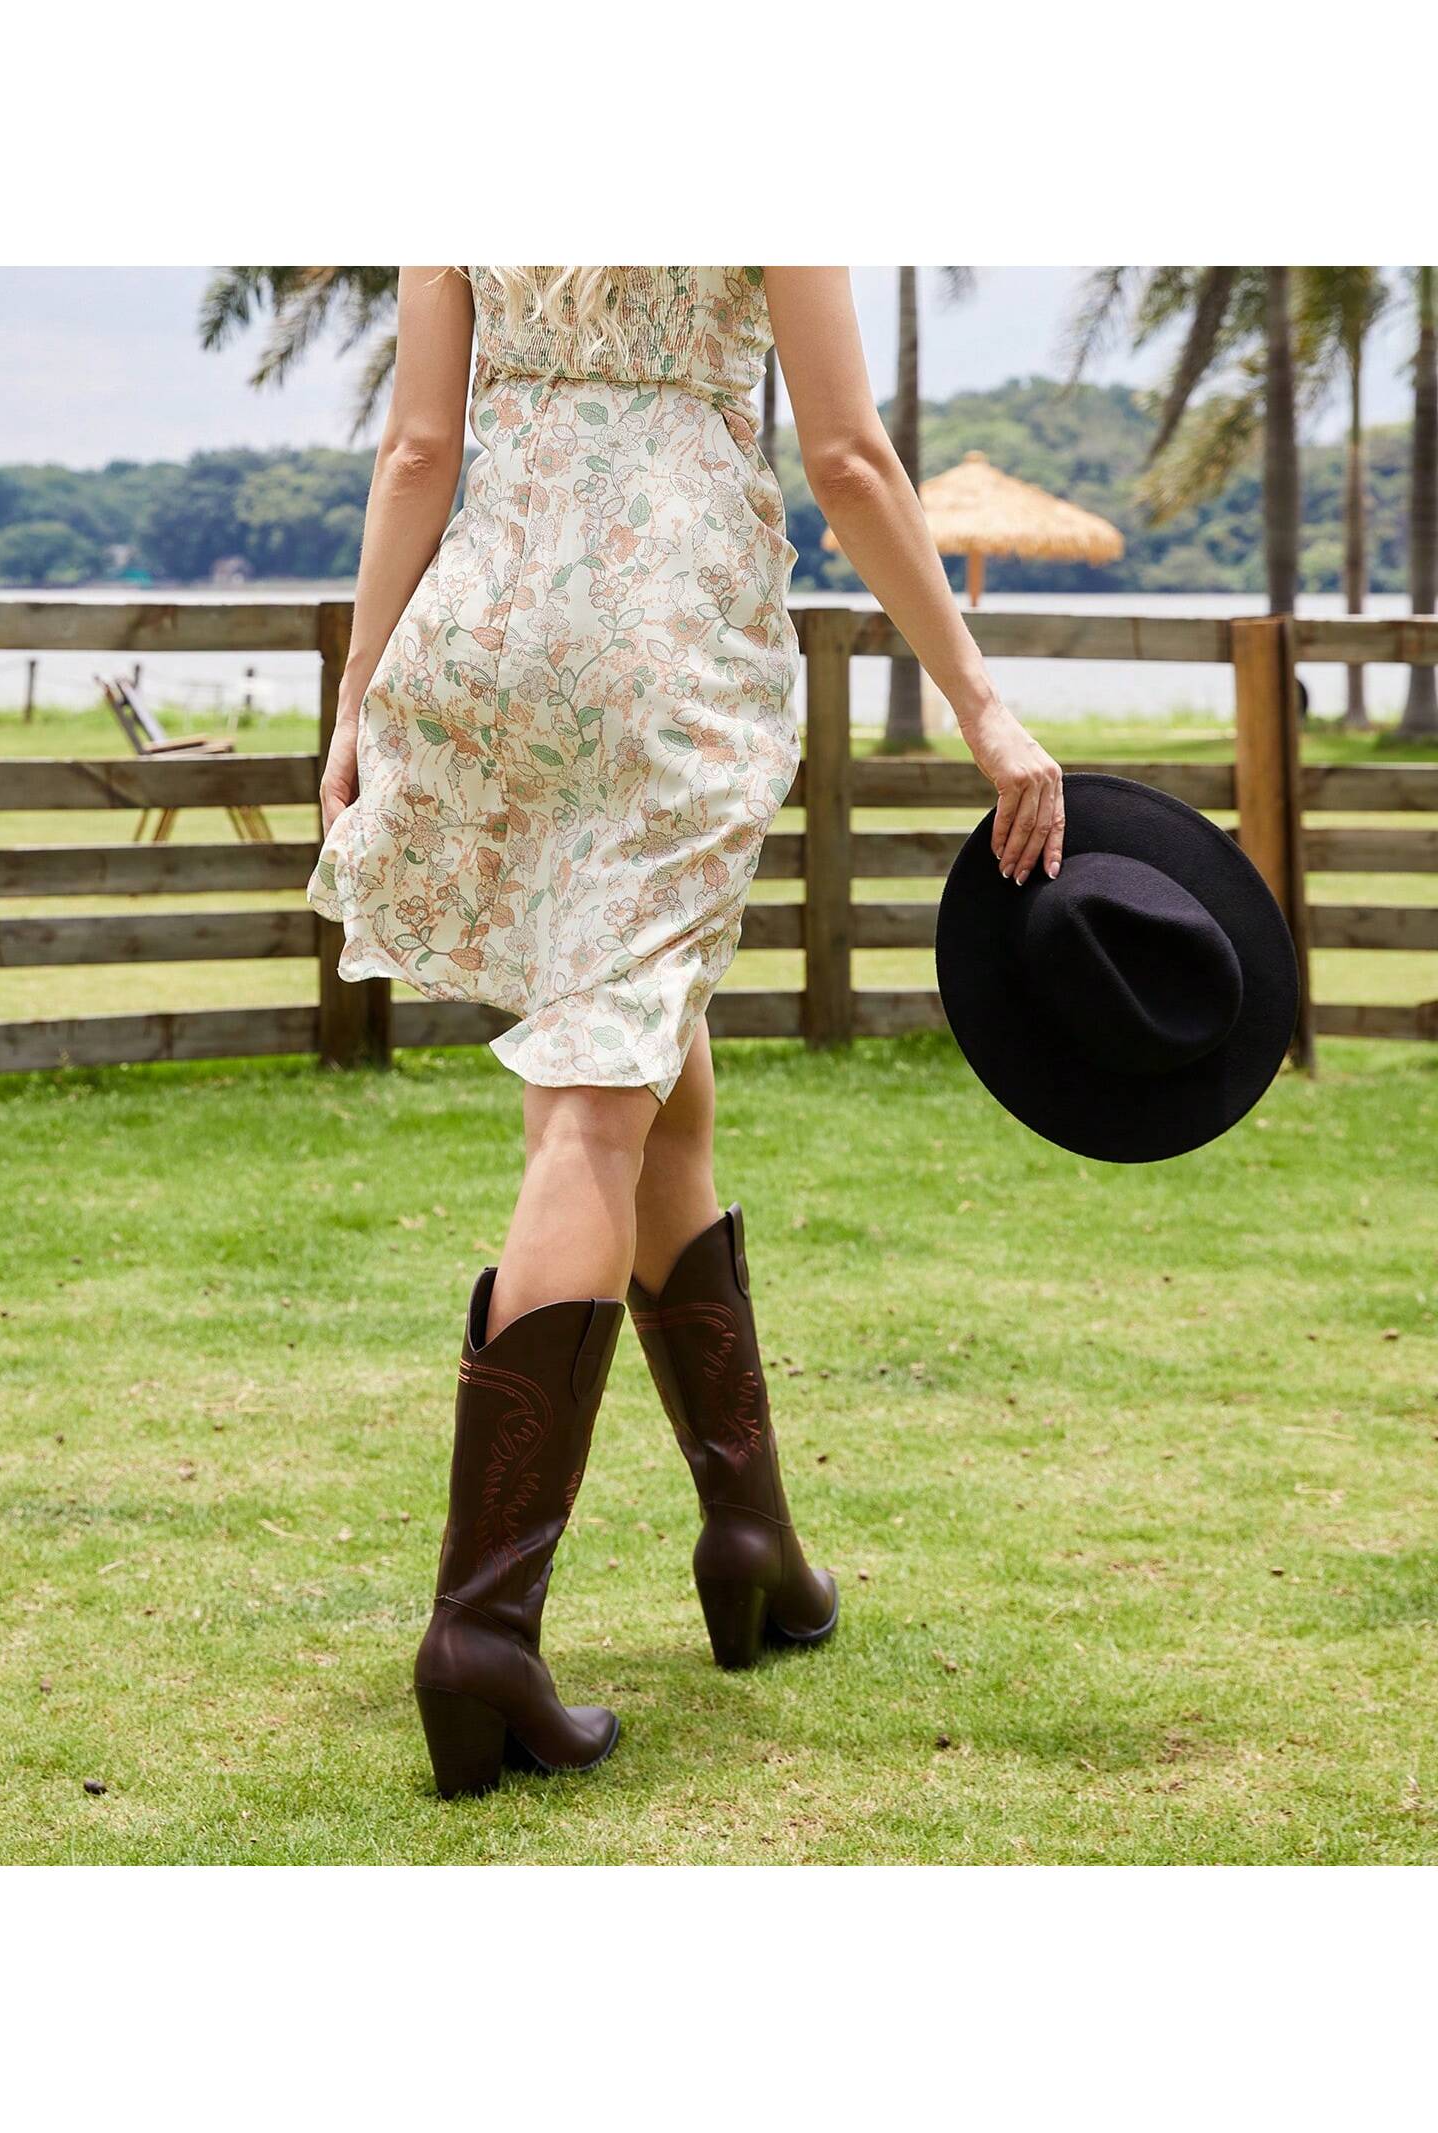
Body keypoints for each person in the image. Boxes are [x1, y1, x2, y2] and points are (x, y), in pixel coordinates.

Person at [309, 267, 1063, 1798]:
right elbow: (848, 459)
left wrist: (358, 695)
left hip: (494, 631)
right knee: (590, 1107)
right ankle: (482, 1631)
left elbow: (416, 448)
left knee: (654, 1050)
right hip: (668, 643)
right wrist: (981, 704)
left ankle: (754, 1536)